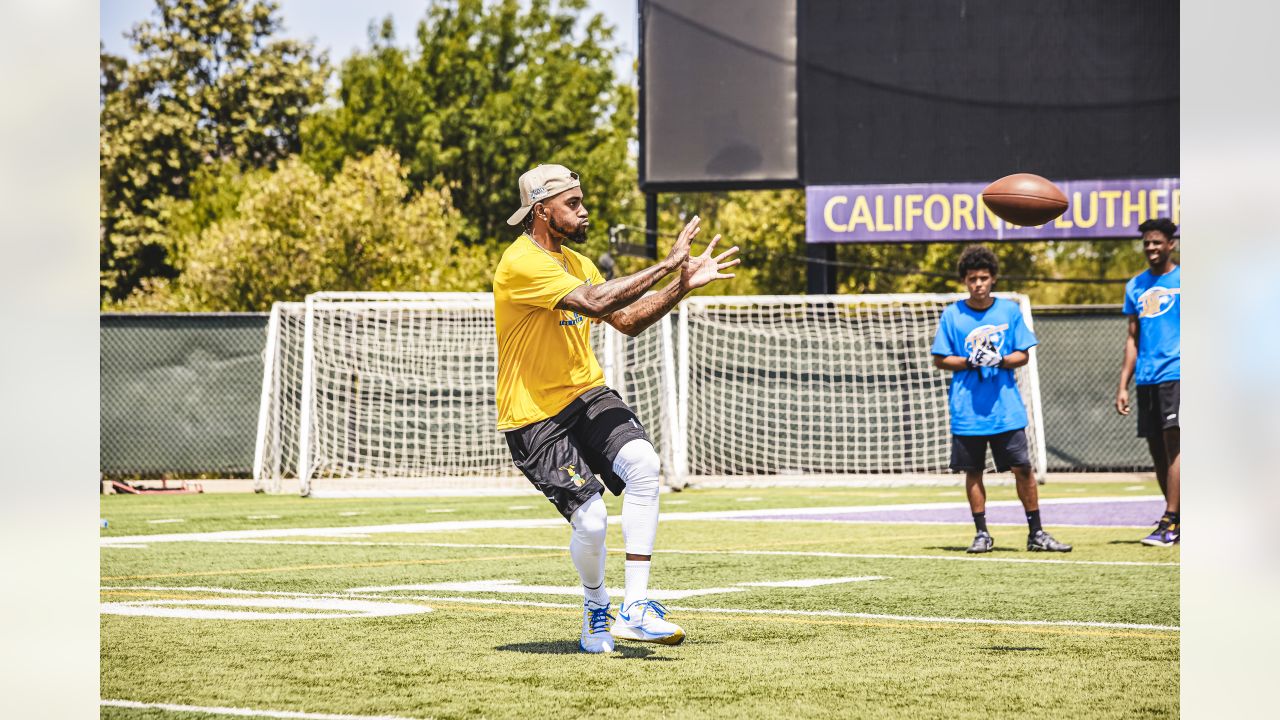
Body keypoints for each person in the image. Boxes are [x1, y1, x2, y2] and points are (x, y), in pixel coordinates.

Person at [493, 164, 739, 653]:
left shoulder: (579, 262)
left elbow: (624, 319)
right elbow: (591, 301)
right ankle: (595, 607)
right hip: (533, 415)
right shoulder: (520, 263)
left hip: (585, 393)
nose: (583, 211)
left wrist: (682, 286)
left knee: (645, 466)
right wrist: (667, 264)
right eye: (573, 203)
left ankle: (637, 607)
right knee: (591, 522)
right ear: (542, 211)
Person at [931, 245, 1072, 554]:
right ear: (965, 281)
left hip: (1006, 409)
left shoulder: (1008, 311)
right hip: (967, 410)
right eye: (972, 279)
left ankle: (1036, 532)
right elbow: (940, 358)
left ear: (992, 278)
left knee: (1023, 468)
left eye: (983, 278)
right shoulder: (953, 314)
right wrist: (970, 361)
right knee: (973, 472)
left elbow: (1023, 354)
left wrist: (999, 359)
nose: (978, 284)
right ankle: (982, 533)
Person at [1115, 218, 1180, 547]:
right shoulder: (1135, 286)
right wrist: (1123, 384)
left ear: (1172, 244)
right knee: (1156, 451)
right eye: (1147, 243)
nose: (1151, 248)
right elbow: (1132, 339)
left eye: (1157, 242)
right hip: (1147, 377)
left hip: (1178, 372)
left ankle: (1169, 520)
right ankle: (1179, 519)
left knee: (1175, 445)